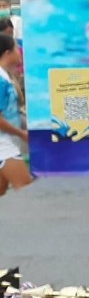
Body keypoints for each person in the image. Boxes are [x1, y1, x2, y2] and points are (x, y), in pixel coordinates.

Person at [0, 35, 30, 196]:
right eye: (16, 49)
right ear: (7, 53)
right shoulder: (1, 81)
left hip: (8, 141)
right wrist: (21, 134)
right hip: (4, 144)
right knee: (26, 189)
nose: (20, 52)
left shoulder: (6, 77)